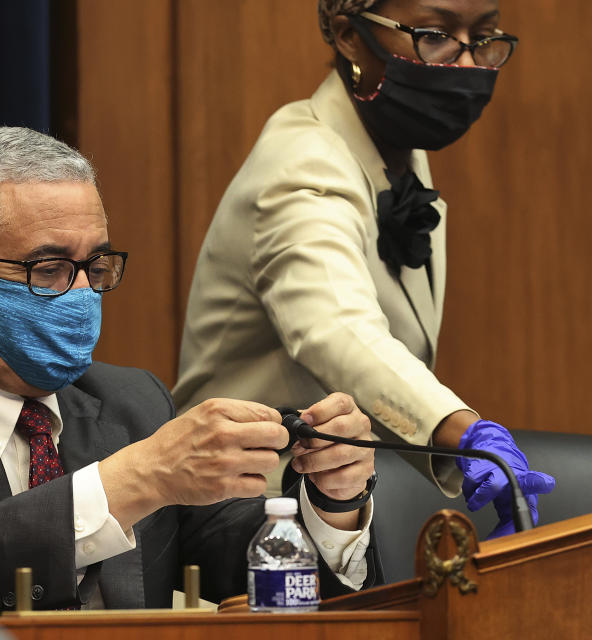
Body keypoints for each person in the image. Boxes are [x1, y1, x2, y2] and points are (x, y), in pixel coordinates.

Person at [0, 127, 380, 619]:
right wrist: (135, 479)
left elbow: (259, 580)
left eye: (96, 265)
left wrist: (333, 503)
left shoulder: (131, 402)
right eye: (49, 267)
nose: (83, 293)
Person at [173, 0, 554, 540]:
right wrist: (461, 429)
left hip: (335, 502)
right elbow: (335, 327)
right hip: (242, 515)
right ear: (350, 36)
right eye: (435, 34)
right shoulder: (303, 161)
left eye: (484, 36)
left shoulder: (394, 148)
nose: (468, 63)